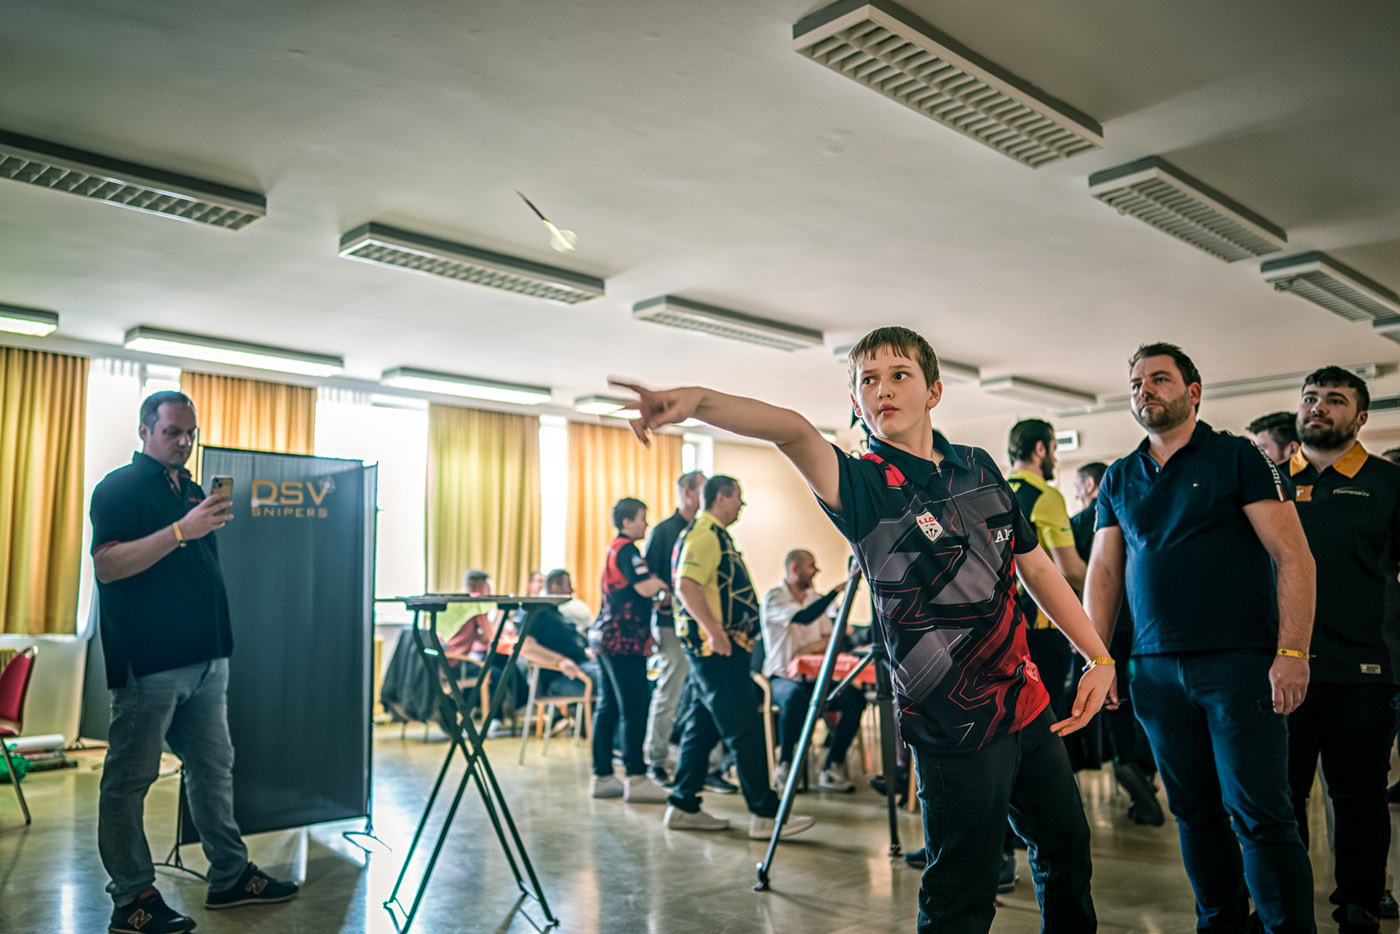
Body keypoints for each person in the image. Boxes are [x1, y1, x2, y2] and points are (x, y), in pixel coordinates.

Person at [616, 326, 1114, 933]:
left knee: (1067, 854)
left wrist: (1098, 657)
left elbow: (1035, 567)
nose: (884, 390)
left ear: (933, 391)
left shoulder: (979, 468)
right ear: (856, 400)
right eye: (868, 381)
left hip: (1027, 706)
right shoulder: (862, 486)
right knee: (962, 895)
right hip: (952, 725)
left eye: (900, 375)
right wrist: (695, 401)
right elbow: (792, 429)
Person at [1085, 342, 1316, 934]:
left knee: (1260, 814)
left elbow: (1293, 556)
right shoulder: (1119, 475)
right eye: (1136, 383)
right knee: (1193, 813)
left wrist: (1293, 652)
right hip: (1154, 671)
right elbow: (1104, 573)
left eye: (1159, 379)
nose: (1145, 390)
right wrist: (1096, 660)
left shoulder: (1238, 457)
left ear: (1193, 392)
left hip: (1238, 665)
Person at [91, 391, 297, 934]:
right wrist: (182, 530)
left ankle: (229, 875)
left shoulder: (192, 490)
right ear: (145, 430)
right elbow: (108, 566)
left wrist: (193, 523)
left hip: (206, 658)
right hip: (149, 662)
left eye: (191, 433)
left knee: (213, 768)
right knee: (129, 780)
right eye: (172, 432)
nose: (184, 442)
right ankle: (132, 899)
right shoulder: (118, 488)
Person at [1285, 366, 1400, 934]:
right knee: (1279, 799)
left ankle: (1361, 904)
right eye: (1311, 397)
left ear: (1361, 417)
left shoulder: (1388, 483)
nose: (1319, 407)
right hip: (1280, 669)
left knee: (1359, 798)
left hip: (1363, 670)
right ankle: (1281, 905)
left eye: (1335, 400)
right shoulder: (1268, 482)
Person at [661, 476, 817, 840]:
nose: (741, 505)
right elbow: (686, 585)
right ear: (720, 498)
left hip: (719, 650)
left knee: (702, 727)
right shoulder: (704, 534)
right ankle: (765, 814)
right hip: (718, 650)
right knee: (745, 727)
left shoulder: (715, 535)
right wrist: (715, 631)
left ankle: (683, 804)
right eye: (737, 498)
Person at [1069, 461, 1163, 827]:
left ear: (1090, 484)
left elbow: (1074, 576)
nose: (1077, 493)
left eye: (1078, 486)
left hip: (1101, 630)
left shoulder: (1078, 524)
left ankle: (1129, 764)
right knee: (1149, 699)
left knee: (1115, 702)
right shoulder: (1135, 510)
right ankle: (1143, 768)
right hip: (1144, 623)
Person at [588, 498, 671, 803]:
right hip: (623, 642)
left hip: (607, 638)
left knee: (608, 706)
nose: (646, 525)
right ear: (626, 522)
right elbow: (643, 587)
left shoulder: (614, 549)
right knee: (635, 707)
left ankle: (602, 775)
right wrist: (662, 584)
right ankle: (636, 777)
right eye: (642, 519)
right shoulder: (628, 550)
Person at [760, 550, 865, 792]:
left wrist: (807, 649)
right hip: (782, 677)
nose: (816, 571)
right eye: (811, 566)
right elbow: (804, 617)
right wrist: (835, 592)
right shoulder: (775, 598)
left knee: (854, 699)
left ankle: (831, 766)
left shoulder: (814, 598)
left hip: (815, 678)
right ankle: (785, 765)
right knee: (795, 697)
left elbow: (831, 637)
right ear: (794, 568)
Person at [1006, 418, 1085, 719]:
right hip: (1043, 628)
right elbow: (1071, 570)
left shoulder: (996, 491)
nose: (1055, 457)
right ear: (1040, 449)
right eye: (1053, 448)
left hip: (1005, 627)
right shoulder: (1046, 497)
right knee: (1050, 720)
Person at [641, 470, 706, 785]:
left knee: (698, 695)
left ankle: (698, 763)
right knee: (668, 692)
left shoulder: (703, 530)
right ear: (686, 491)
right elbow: (646, 580)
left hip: (700, 625)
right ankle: (655, 759)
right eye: (702, 489)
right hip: (669, 623)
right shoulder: (664, 531)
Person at [544, 568, 593, 633]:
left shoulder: (538, 612)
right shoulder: (574, 608)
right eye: (568, 585)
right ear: (555, 588)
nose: (572, 590)